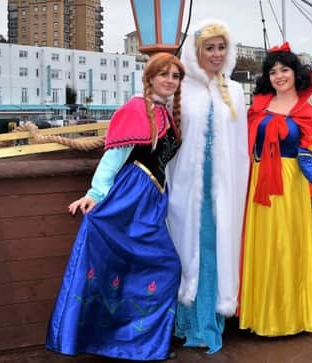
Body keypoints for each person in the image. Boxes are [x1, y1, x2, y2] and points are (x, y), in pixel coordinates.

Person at [46, 53, 185, 361]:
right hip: (130, 199)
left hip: (151, 201)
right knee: (165, 266)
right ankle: (136, 343)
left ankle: (140, 342)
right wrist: (95, 193)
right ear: (149, 77)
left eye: (175, 77)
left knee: (155, 267)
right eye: (163, 74)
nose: (169, 81)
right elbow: (113, 157)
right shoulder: (137, 109)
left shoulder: (165, 112)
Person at [238, 42, 312, 337]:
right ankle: (260, 317)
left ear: (295, 74)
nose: (279, 75)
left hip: (290, 184)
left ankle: (289, 319)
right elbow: (242, 145)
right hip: (259, 183)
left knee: (287, 247)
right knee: (262, 247)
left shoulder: (305, 112)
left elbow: (306, 152)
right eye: (273, 71)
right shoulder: (257, 107)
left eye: (284, 69)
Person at [166, 19, 249, 354]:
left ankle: (208, 325)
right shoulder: (181, 89)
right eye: (209, 48)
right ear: (196, 51)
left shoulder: (238, 91)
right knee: (186, 251)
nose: (216, 54)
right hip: (186, 188)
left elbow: (240, 145)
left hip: (223, 190)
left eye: (221, 47)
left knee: (215, 251)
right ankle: (183, 324)